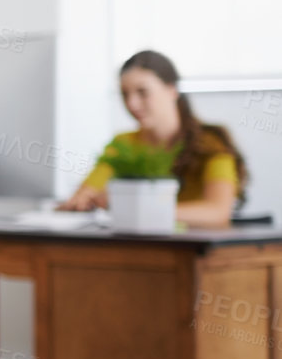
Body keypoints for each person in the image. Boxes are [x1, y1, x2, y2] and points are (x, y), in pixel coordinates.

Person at [60, 49, 246, 227]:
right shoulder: (123, 144)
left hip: (190, 250)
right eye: (125, 94)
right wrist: (88, 200)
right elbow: (82, 196)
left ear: (172, 90)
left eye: (143, 92)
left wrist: (134, 209)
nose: (132, 104)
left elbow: (217, 212)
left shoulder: (210, 143)